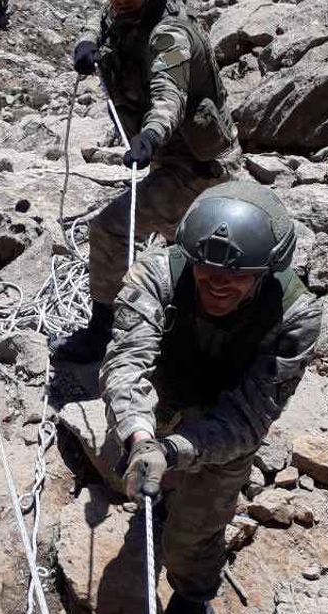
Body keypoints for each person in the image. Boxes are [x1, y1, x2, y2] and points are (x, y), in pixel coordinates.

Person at [100, 181, 322, 614]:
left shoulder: (295, 315)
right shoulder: (157, 273)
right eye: (207, 271)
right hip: (163, 399)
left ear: (265, 272)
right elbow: (126, 362)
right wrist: (140, 434)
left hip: (225, 419)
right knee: (133, 468)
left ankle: (191, 606)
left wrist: (173, 451)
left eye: (236, 275)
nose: (219, 284)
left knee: (194, 534)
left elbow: (249, 419)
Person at [53, 0, 241, 363]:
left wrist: (151, 136)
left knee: (108, 229)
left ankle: (102, 332)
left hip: (199, 171)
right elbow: (103, 16)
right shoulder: (128, 11)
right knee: (181, 247)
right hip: (175, 160)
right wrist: (87, 40)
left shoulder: (170, 35)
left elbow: (170, 98)